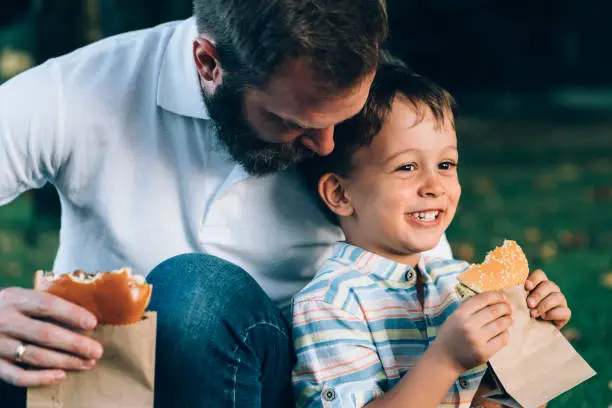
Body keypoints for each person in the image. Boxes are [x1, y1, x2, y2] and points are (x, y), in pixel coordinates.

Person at [0, 1, 455, 406]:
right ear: (208, 62)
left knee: (196, 296)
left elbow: (423, 282)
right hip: (101, 380)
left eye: (344, 117)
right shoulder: (79, 91)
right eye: (288, 120)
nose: (326, 144)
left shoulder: (381, 113)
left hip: (299, 385)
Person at [292, 59, 572, 407]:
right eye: (407, 167)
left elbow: (499, 404)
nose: (434, 186)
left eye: (446, 165)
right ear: (340, 194)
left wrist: (530, 338)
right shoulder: (332, 303)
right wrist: (445, 360)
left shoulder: (458, 283)